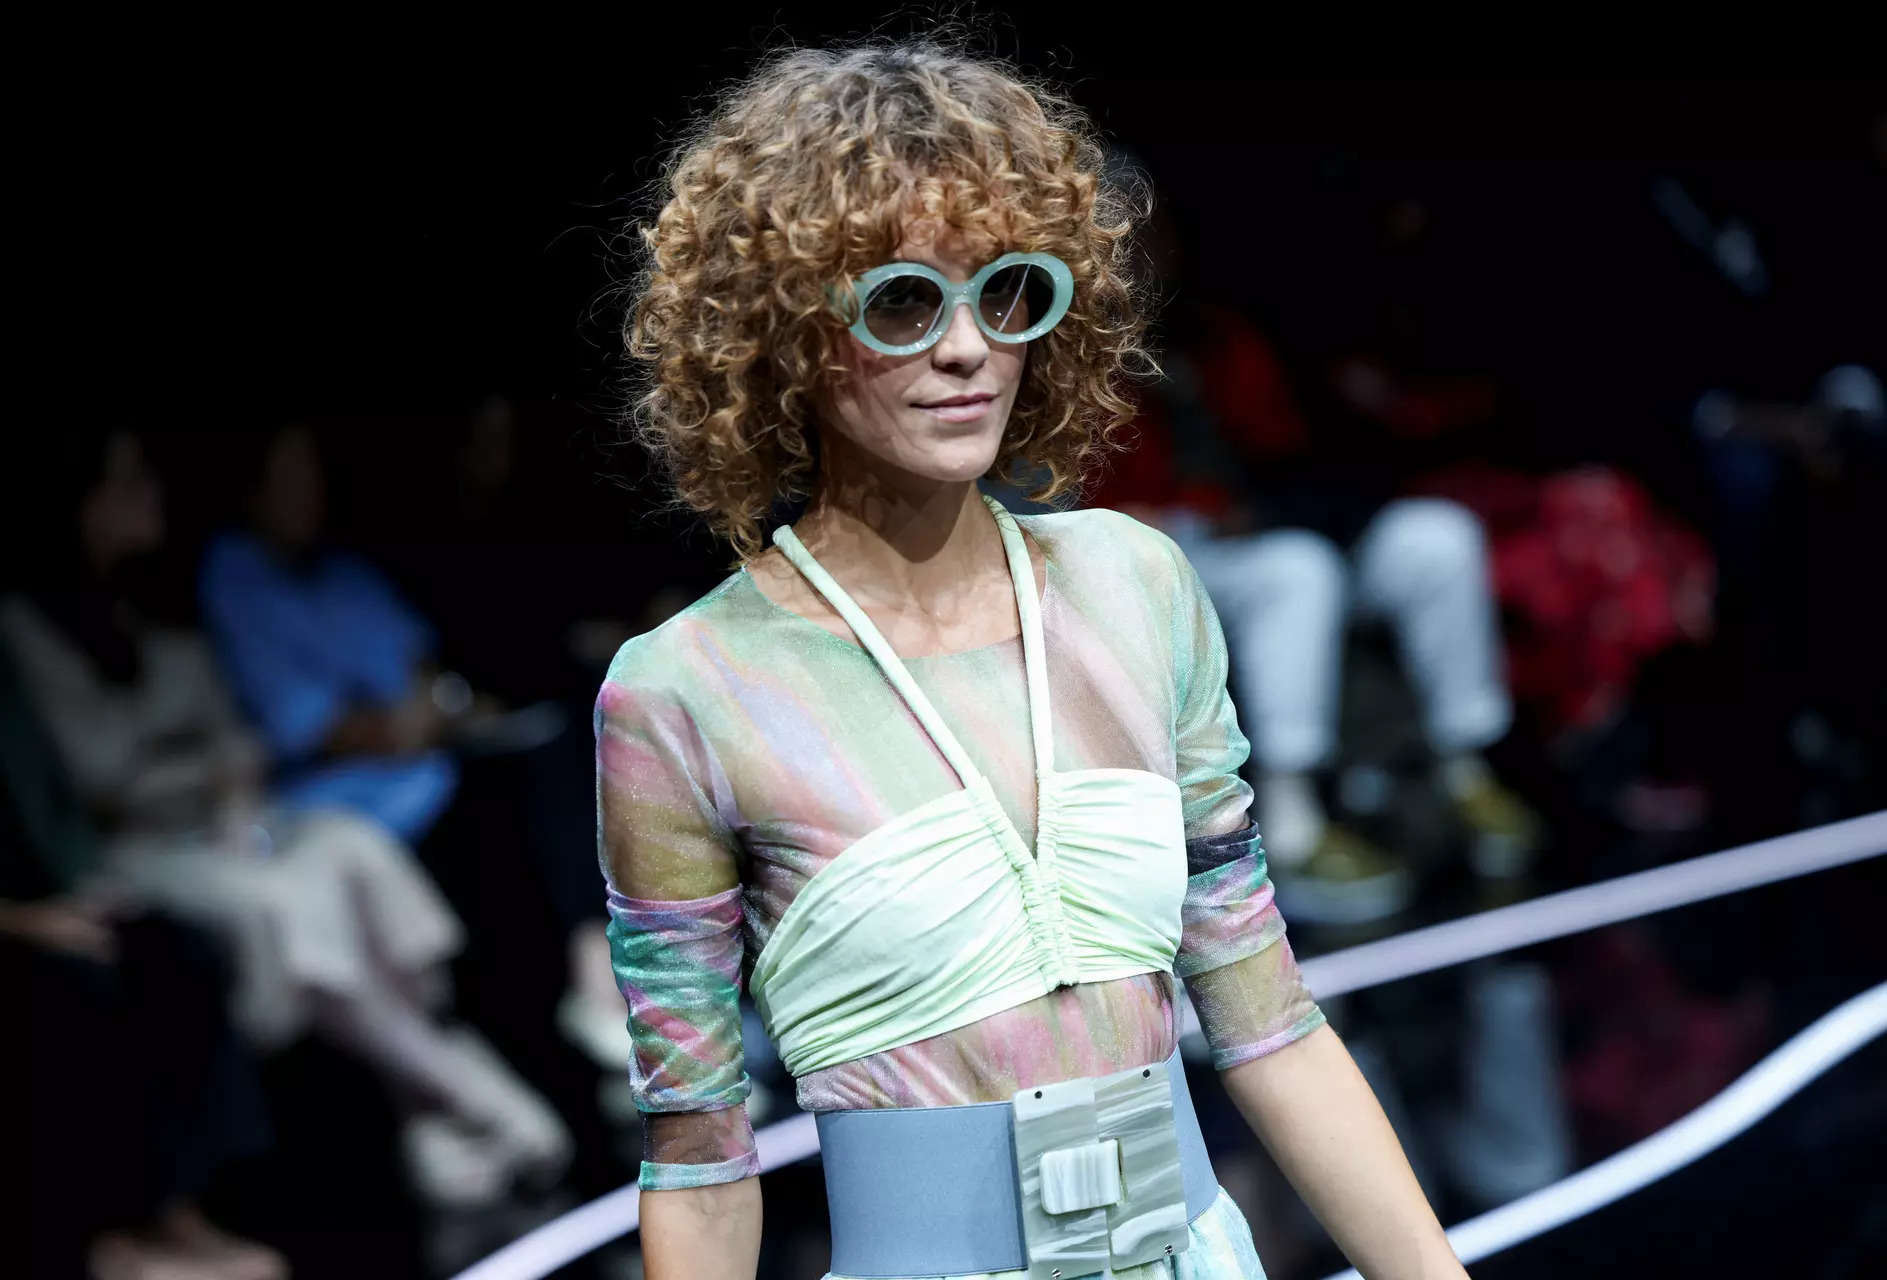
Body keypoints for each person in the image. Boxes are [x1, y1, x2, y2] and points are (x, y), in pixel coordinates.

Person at [601, 39, 1466, 1280]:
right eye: (903, 299)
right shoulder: (687, 690)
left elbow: (1269, 1024)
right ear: (781, 329)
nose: (966, 348)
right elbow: (699, 1158)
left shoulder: (1134, 583)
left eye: (1005, 290)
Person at [3, 428, 572, 1211]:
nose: (149, 499)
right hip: (138, 850)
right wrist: (201, 769)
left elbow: (234, 740)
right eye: (126, 484)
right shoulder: (29, 629)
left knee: (354, 847)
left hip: (232, 821)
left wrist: (212, 781)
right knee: (282, 902)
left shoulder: (157, 605)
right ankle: (489, 1109)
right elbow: (102, 776)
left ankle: (431, 1125)